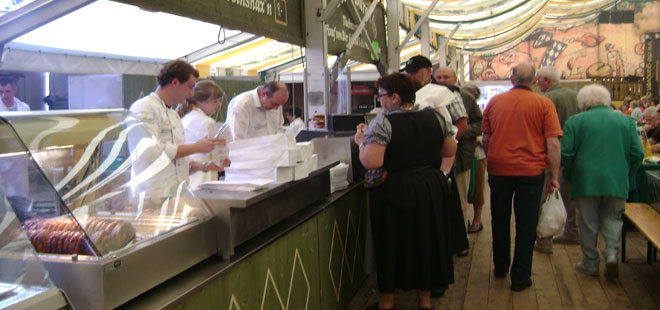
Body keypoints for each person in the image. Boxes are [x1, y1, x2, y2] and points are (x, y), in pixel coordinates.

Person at [354, 73, 457, 310]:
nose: (379, 101)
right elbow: (449, 149)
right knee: (426, 241)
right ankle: (425, 301)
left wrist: (362, 141)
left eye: (381, 96)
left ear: (395, 97)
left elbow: (371, 161)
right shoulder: (435, 116)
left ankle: (387, 302)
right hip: (430, 187)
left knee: (392, 243)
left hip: (398, 189)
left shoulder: (383, 122)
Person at [482, 63, 562, 291]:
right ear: (535, 80)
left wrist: (492, 159)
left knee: (499, 219)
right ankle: (520, 276)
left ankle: (500, 266)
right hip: (531, 171)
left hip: (499, 170)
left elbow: (486, 138)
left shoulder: (494, 102)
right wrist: (553, 176)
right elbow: (553, 144)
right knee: (526, 224)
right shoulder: (544, 104)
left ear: (511, 79)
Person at [561, 84, 643, 281]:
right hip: (616, 180)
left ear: (583, 103)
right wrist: (627, 173)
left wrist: (571, 174)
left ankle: (590, 263)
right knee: (613, 218)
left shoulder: (574, 122)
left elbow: (566, 153)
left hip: (585, 180)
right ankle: (612, 254)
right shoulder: (626, 121)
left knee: (588, 222)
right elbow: (638, 153)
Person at [129, 60, 226, 183]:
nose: (191, 93)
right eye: (190, 87)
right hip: (152, 194)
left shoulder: (174, 115)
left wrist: (204, 166)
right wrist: (196, 147)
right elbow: (148, 152)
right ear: (175, 82)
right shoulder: (144, 107)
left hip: (176, 191)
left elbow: (180, 162)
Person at [534, 66, 581, 254]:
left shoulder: (545, 100)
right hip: (572, 152)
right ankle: (572, 231)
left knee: (545, 195)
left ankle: (545, 240)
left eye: (539, 80)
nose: (537, 83)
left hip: (550, 152)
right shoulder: (574, 96)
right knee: (569, 194)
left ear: (546, 81)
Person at [434, 67, 484, 235]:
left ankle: (462, 239)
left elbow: (479, 123)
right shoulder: (431, 97)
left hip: (461, 157)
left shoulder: (465, 98)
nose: (442, 80)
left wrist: (457, 133)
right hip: (438, 158)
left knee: (460, 199)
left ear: (455, 79)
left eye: (446, 77)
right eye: (439, 77)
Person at [178, 80, 230, 188]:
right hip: (202, 176)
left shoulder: (186, 118)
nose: (219, 105)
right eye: (215, 101)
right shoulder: (206, 122)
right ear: (201, 101)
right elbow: (223, 152)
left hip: (189, 174)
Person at [462, 83, 486, 234]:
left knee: (477, 189)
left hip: (477, 155)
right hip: (460, 155)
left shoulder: (482, 112)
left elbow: (488, 134)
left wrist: (477, 139)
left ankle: (477, 220)